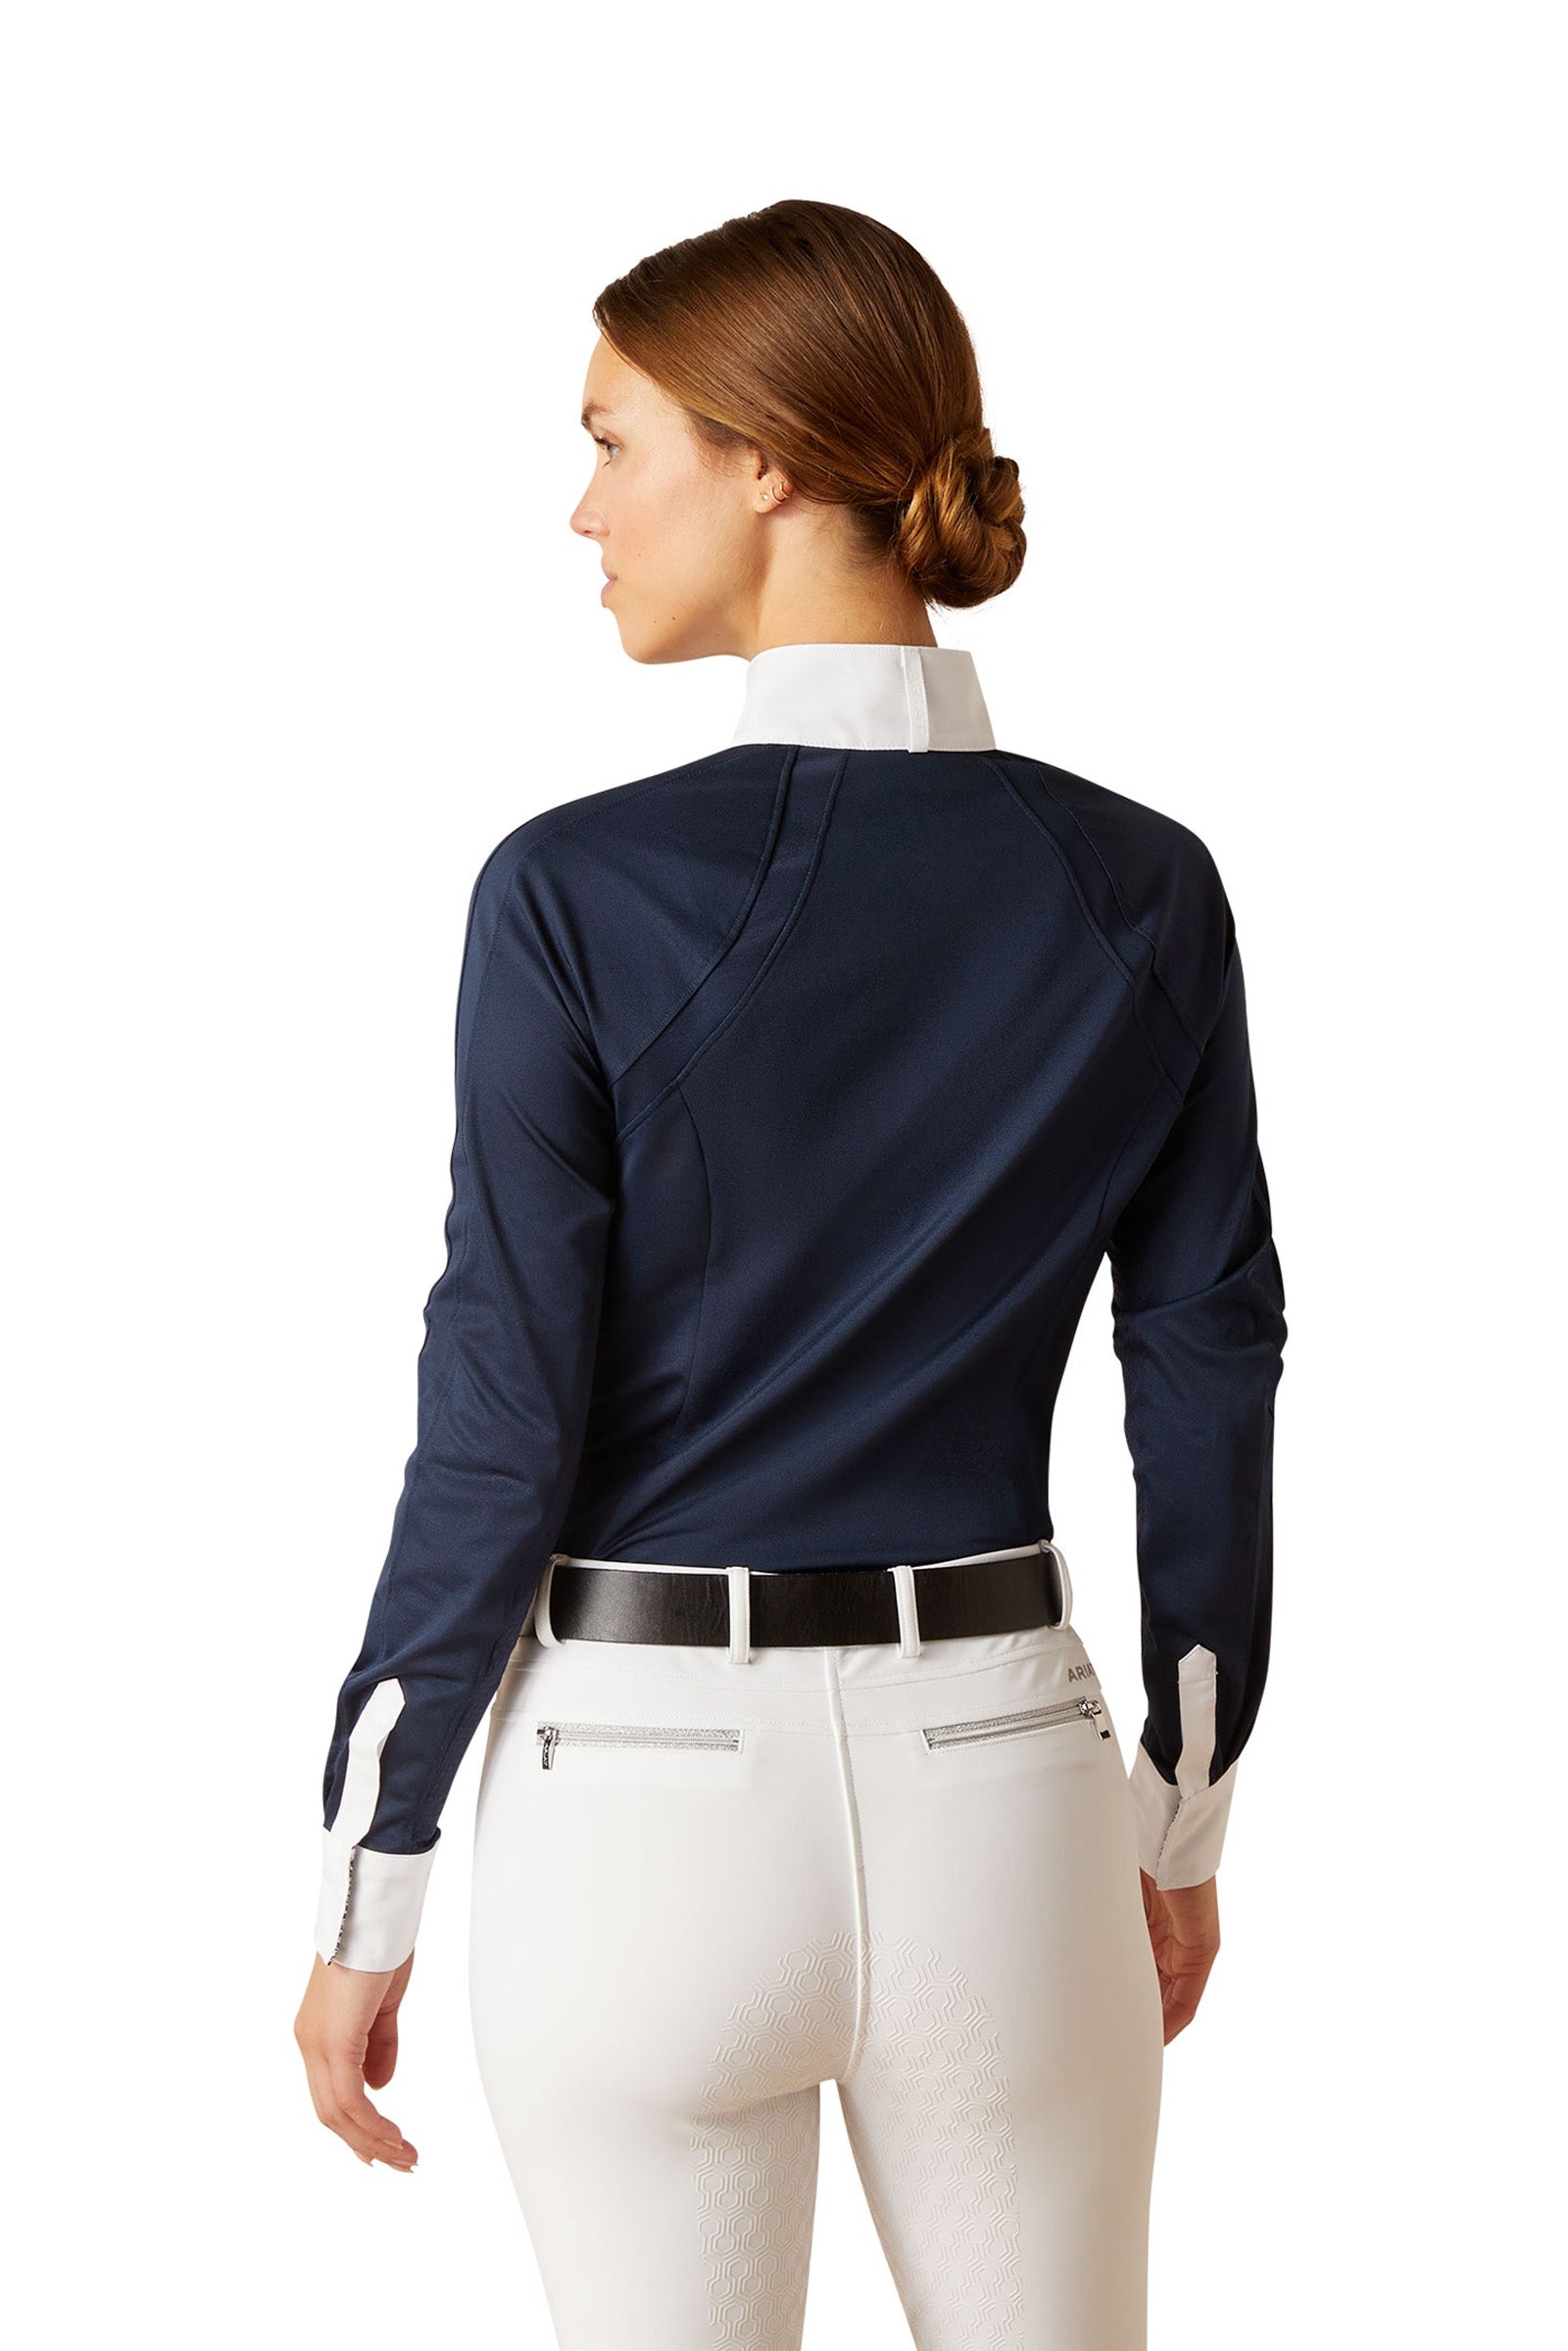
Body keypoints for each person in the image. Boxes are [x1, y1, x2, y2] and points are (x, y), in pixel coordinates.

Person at [294, 197, 1287, 2351]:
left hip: (636, 1817)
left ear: (762, 458)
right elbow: (1208, 1363)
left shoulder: (574, 892)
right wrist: (1183, 1822)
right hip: (1005, 1798)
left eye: (610, 440)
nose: (581, 508)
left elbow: (501, 1410)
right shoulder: (1143, 888)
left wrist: (374, 1868)